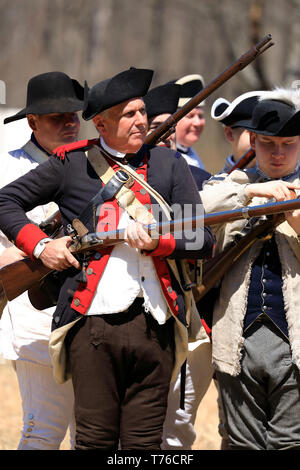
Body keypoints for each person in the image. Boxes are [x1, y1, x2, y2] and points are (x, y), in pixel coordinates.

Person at [0, 67, 214, 450]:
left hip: (158, 325)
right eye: (128, 114)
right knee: (94, 440)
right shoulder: (71, 163)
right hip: (90, 327)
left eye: (142, 112)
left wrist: (157, 244)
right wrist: (41, 247)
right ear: (100, 123)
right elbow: (5, 201)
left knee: (145, 443)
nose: (141, 121)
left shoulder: (169, 165)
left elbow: (201, 238)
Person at [201, 87, 300, 450]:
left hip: (295, 340)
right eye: (269, 143)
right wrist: (251, 195)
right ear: (253, 142)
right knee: (242, 442)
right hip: (235, 337)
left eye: (288, 143)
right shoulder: (233, 187)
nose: (278, 153)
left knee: (290, 443)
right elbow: (194, 209)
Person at [0, 71, 84, 450]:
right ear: (32, 121)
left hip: (90, 305)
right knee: (44, 428)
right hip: (34, 306)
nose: (69, 123)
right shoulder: (8, 166)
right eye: (57, 117)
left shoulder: (91, 163)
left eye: (73, 115)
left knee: (93, 432)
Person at [144, 81, 214, 449]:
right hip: (123, 322)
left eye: (171, 129)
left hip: (181, 315)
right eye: (159, 128)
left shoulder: (193, 179)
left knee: (176, 432)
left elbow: (199, 242)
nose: (166, 137)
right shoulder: (107, 181)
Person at [211, 90, 267, 172]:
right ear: (229, 134)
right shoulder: (216, 182)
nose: (261, 140)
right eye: (252, 134)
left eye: (266, 135)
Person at [171, 74, 206, 171]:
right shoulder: (166, 157)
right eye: (190, 116)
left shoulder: (192, 153)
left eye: (200, 116)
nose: (197, 123)